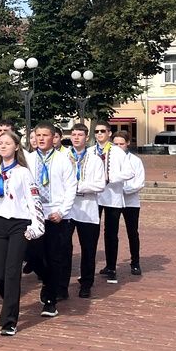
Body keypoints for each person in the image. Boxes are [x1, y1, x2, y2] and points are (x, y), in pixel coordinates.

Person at [0, 130, 44, 336]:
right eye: (0, 143)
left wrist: (36, 226)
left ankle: (10, 319)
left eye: (7, 143)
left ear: (16, 147)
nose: (3, 146)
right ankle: (11, 299)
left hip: (18, 224)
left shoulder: (23, 173)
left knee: (12, 272)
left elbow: (33, 200)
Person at [27, 122, 77, 317]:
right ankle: (47, 280)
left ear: (53, 137)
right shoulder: (29, 159)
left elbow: (71, 187)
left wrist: (62, 211)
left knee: (55, 257)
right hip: (35, 215)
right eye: (38, 135)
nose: (41, 139)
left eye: (45, 135)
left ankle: (50, 300)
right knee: (32, 255)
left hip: (56, 215)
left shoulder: (63, 159)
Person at [63, 124, 106, 299]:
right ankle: (62, 285)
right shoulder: (63, 157)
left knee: (88, 249)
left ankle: (86, 283)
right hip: (68, 208)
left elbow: (100, 184)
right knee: (64, 248)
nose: (76, 137)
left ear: (86, 138)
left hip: (88, 209)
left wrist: (77, 186)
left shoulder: (95, 159)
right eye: (73, 134)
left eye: (79, 135)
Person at [94, 121, 135, 286]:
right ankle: (89, 267)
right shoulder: (90, 151)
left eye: (102, 131)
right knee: (91, 233)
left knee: (111, 233)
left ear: (109, 133)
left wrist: (111, 177)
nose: (99, 134)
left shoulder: (118, 152)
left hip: (112, 196)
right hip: (94, 197)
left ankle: (111, 267)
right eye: (96, 131)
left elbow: (130, 172)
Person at [111, 131, 145, 275]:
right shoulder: (109, 160)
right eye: (115, 144)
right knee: (111, 233)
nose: (119, 147)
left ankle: (135, 262)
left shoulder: (135, 161)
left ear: (128, 143)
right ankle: (110, 265)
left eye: (121, 144)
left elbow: (140, 182)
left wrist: (124, 190)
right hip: (113, 201)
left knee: (132, 232)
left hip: (131, 202)